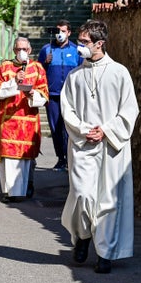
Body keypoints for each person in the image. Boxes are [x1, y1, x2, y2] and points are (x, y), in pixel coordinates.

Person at [60, 20, 139, 274]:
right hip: (83, 145)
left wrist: (105, 129)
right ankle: (82, 236)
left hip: (111, 145)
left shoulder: (119, 72)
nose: (80, 46)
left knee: (108, 200)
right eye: (80, 41)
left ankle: (105, 253)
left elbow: (129, 110)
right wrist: (85, 130)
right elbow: (67, 110)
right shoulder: (74, 76)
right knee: (83, 194)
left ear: (99, 44)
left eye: (84, 42)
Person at [0, 37, 48, 203]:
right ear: (14, 50)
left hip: (28, 119)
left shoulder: (37, 68)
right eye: (17, 49)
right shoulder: (4, 67)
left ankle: (25, 187)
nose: (21, 52)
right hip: (9, 120)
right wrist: (13, 82)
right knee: (8, 158)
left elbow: (44, 93)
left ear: (29, 50)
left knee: (26, 157)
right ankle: (9, 191)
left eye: (24, 49)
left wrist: (33, 95)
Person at [38, 19, 82, 172]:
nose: (60, 34)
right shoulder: (46, 49)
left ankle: (71, 157)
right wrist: (45, 62)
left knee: (69, 126)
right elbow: (38, 71)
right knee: (55, 127)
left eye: (63, 31)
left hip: (71, 96)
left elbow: (82, 71)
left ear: (69, 32)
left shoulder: (77, 50)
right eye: (58, 31)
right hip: (53, 95)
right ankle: (61, 158)